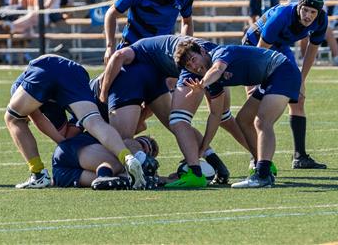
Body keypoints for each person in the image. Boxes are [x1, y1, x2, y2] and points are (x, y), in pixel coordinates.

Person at [101, 35, 250, 187]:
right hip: (165, 77)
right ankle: (249, 162)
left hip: (140, 79)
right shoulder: (201, 53)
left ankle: (179, 170)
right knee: (210, 118)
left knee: (122, 141)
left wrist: (103, 93)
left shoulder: (138, 53)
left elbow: (119, 55)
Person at [4, 54, 145, 189]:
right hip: (75, 69)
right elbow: (63, 130)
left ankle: (38, 173)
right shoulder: (50, 104)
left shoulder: (18, 89)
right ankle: (127, 157)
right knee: (94, 121)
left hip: (44, 66)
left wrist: (65, 146)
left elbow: (38, 119)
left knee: (13, 119)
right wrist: (66, 142)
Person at [174, 42, 301, 188]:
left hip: (282, 71)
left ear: (203, 51)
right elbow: (216, 115)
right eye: (189, 66)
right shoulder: (211, 78)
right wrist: (203, 148)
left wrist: (201, 85)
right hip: (270, 79)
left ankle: (262, 174)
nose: (194, 67)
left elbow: (217, 68)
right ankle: (263, 165)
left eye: (193, 59)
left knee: (263, 122)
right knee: (243, 120)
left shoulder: (221, 52)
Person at [242, 0, 328, 169]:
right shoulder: (281, 16)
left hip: (280, 46)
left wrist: (301, 80)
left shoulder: (321, 19)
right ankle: (255, 156)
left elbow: (312, 50)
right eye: (305, 10)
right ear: (298, 7)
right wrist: (259, 83)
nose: (308, 15)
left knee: (298, 99)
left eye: (313, 12)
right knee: (255, 102)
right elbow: (260, 52)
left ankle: (300, 156)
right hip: (255, 47)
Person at [53, 132, 159, 190]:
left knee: (120, 181)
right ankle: (103, 176)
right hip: (72, 150)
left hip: (61, 173)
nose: (143, 149)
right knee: (121, 162)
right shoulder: (125, 141)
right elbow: (131, 139)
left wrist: (165, 180)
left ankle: (103, 177)